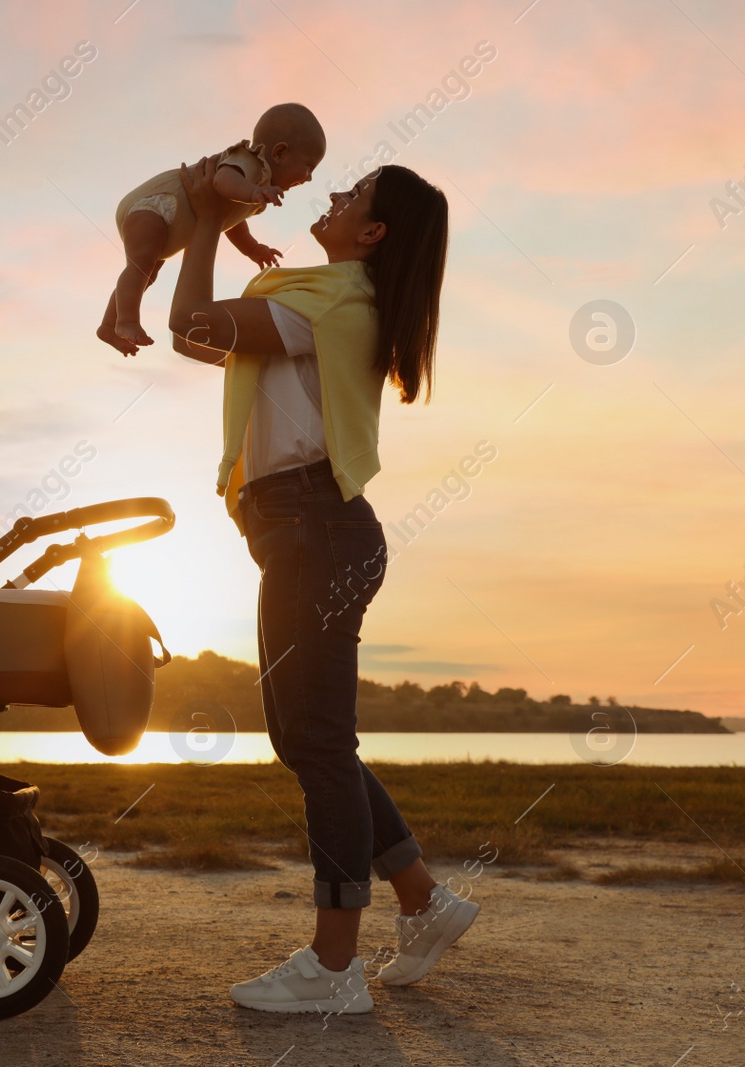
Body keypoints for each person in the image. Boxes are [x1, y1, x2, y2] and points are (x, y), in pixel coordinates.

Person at [168, 155, 477, 1015]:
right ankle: (421, 897)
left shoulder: (334, 296)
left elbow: (191, 314)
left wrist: (199, 217)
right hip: (305, 533)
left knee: (315, 743)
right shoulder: (321, 300)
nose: (333, 196)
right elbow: (197, 335)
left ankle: (334, 963)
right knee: (311, 739)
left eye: (351, 196)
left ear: (370, 233)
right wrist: (218, 229)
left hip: (314, 532)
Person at [96, 103, 326, 357]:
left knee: (147, 274)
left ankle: (108, 327)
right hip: (157, 205)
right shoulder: (249, 161)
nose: (309, 178)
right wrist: (253, 192)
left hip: (172, 222)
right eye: (309, 167)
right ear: (280, 153)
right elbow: (221, 181)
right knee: (139, 267)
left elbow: (230, 221)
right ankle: (126, 321)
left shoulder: (255, 188)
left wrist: (252, 248)